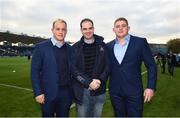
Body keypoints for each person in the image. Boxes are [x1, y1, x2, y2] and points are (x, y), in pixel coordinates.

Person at [107, 17, 157, 117]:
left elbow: (151, 66)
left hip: (134, 92)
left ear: (128, 28)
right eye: (117, 26)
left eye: (123, 26)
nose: (120, 28)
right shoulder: (108, 46)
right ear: (113, 30)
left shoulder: (140, 42)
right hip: (115, 92)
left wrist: (150, 87)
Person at [31, 19, 73, 117]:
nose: (60, 32)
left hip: (66, 94)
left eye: (63, 29)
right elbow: (34, 72)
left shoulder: (70, 49)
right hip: (47, 93)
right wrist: (38, 92)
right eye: (57, 29)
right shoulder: (41, 47)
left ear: (66, 31)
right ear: (52, 30)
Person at [72, 18, 109, 117]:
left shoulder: (103, 46)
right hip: (82, 91)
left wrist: (100, 80)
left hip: (99, 90)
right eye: (85, 29)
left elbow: (108, 66)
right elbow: (73, 69)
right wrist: (88, 82)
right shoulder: (75, 47)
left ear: (93, 28)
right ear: (81, 30)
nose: (88, 31)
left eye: (90, 28)